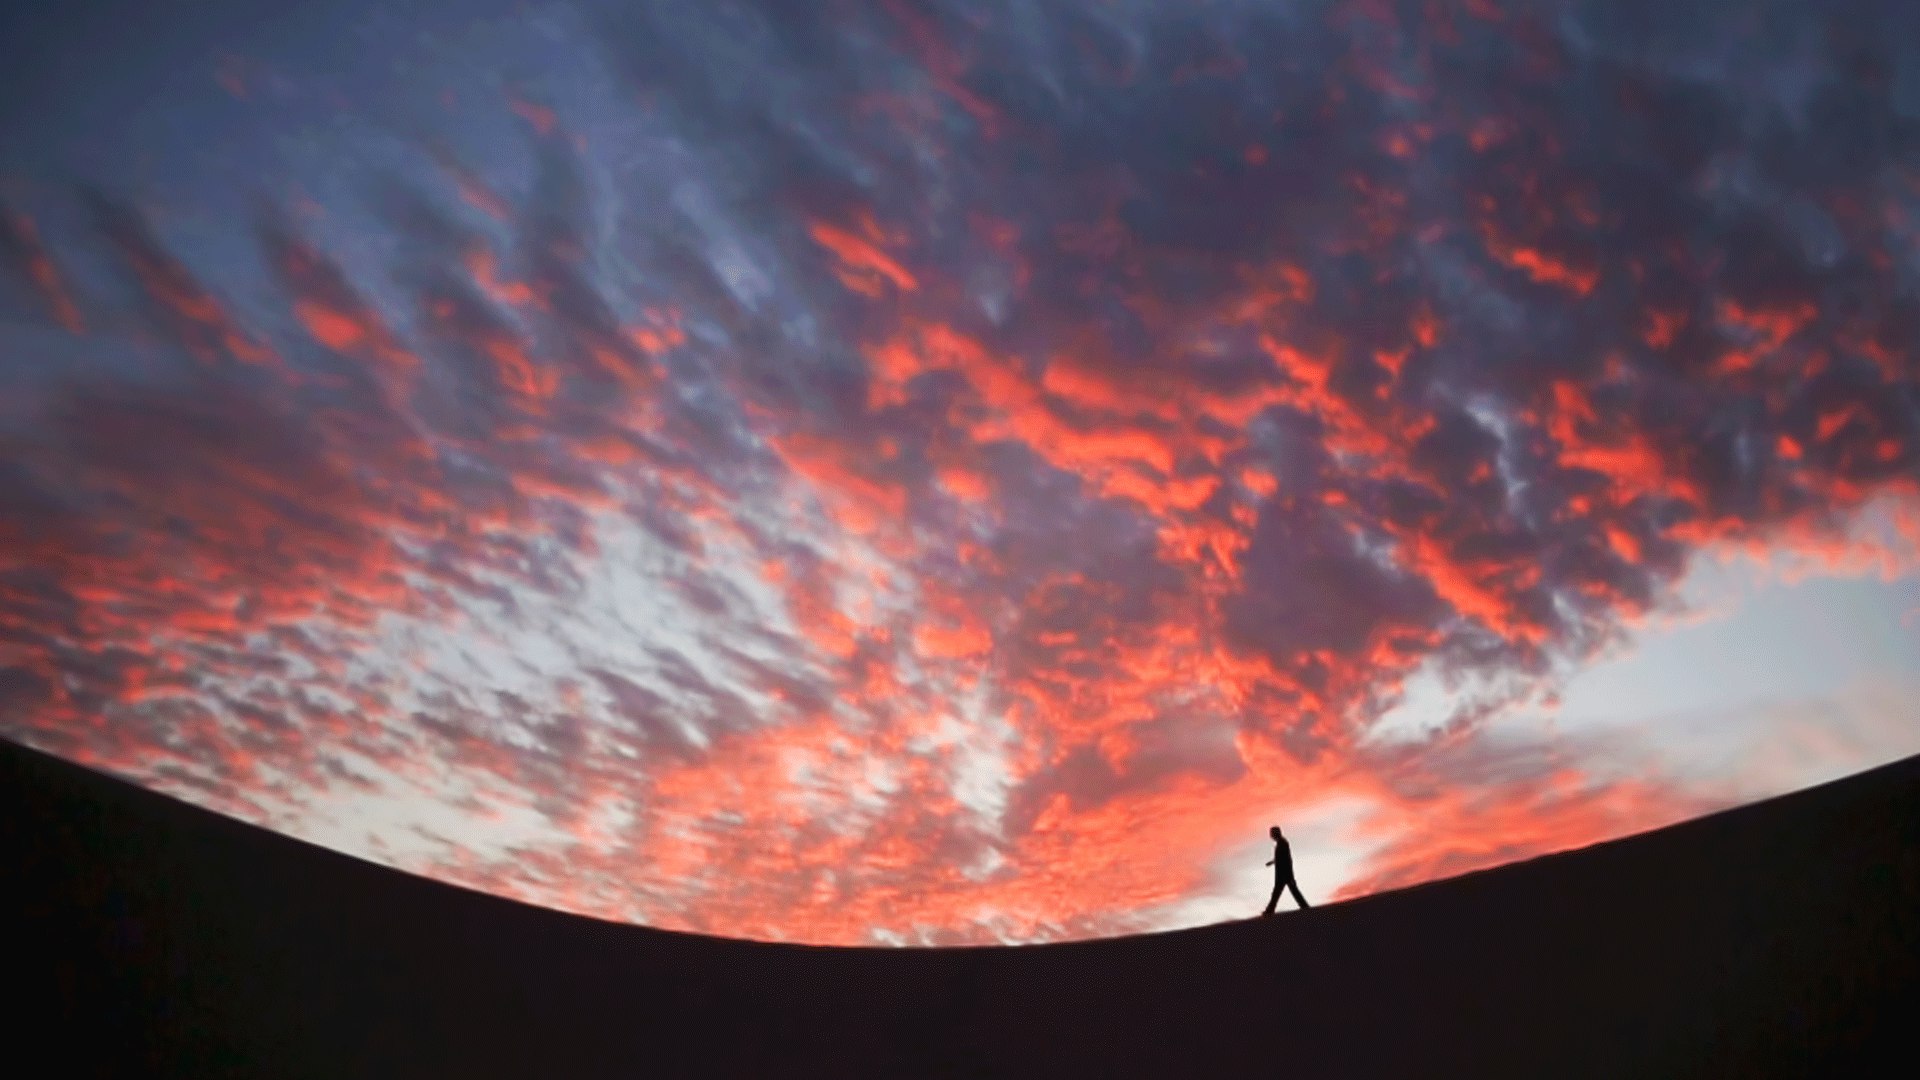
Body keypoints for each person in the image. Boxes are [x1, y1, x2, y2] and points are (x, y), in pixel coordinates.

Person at [1262, 825, 1310, 915]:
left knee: (1279, 893)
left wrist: (1290, 875)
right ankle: (1304, 907)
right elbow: (1281, 858)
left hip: (1284, 874)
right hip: (1283, 874)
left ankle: (1270, 910)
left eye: (1272, 833)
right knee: (1283, 892)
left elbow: (1287, 860)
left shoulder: (1282, 843)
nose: (1271, 835)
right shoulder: (1281, 843)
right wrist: (1272, 862)